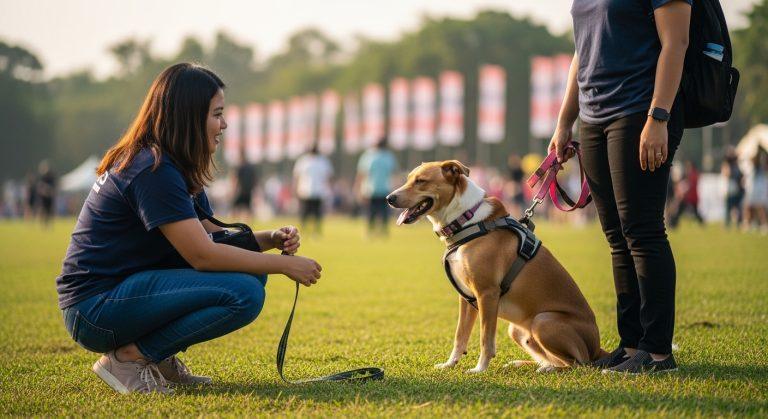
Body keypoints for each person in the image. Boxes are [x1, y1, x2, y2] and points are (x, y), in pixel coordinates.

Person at [56, 63, 322, 394]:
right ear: (187, 116)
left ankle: (157, 358)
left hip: (119, 293)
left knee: (252, 276)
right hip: (95, 307)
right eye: (217, 114)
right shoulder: (152, 169)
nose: (223, 124)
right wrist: (286, 265)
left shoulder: (173, 164)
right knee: (245, 292)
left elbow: (209, 233)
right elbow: (202, 255)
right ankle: (130, 359)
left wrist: (268, 239)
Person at [550, 0, 691, 373]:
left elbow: (675, 43)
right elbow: (582, 55)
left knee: (642, 230)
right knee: (616, 236)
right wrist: (565, 122)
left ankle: (658, 352)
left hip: (639, 110)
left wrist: (658, 115)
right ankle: (631, 346)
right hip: (594, 116)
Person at [355, 137, 398, 237]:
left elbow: (361, 174)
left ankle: (370, 232)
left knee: (371, 213)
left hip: (371, 189)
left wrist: (357, 188)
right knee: (383, 213)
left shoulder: (368, 156)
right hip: (384, 189)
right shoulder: (388, 156)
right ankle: (382, 232)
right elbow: (393, 174)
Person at [292, 144, 333, 236]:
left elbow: (328, 176)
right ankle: (304, 230)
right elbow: (297, 176)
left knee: (316, 213)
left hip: (317, 191)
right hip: (306, 190)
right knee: (305, 213)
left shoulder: (322, 161)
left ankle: (315, 231)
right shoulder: (305, 161)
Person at [670, 161, 704, 228]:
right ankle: (701, 222)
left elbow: (690, 186)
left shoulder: (692, 174)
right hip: (692, 197)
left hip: (689, 197)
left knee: (680, 211)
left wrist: (683, 193)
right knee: (694, 211)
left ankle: (673, 224)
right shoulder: (695, 174)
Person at [742, 149, 768, 233]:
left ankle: (764, 225)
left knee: (760, 208)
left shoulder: (760, 169)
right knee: (748, 208)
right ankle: (748, 224)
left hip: (758, 191)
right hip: (751, 191)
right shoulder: (751, 168)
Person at [721, 148, 744, 228]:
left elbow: (741, 176)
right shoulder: (727, 166)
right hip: (730, 190)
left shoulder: (736, 166)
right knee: (729, 209)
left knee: (738, 208)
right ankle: (728, 224)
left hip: (736, 190)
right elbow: (726, 174)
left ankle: (738, 224)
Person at [35, 160, 57, 228]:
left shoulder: (51, 177)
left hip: (49, 197)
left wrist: (50, 192)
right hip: (43, 197)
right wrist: (44, 191)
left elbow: (54, 187)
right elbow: (40, 188)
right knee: (43, 211)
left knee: (50, 211)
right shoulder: (42, 177)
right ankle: (42, 224)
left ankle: (49, 225)